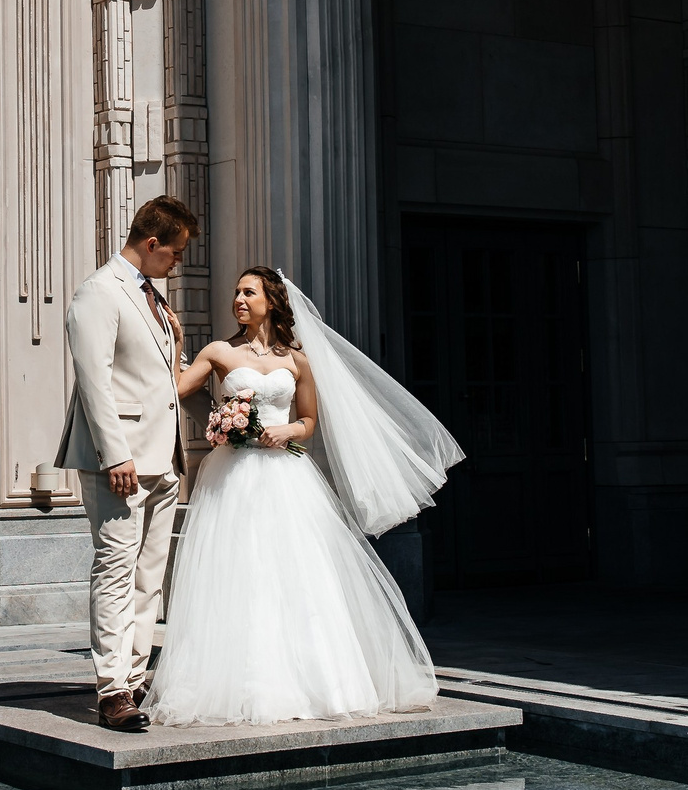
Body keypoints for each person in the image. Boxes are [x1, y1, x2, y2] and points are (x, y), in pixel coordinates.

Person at [146, 266, 461, 727]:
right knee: (237, 572)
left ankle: (318, 682)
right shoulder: (218, 352)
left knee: (296, 573)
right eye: (235, 292)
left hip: (286, 476)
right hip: (232, 476)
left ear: (270, 301)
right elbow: (175, 390)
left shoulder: (298, 361)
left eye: (247, 292)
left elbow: (309, 422)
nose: (237, 299)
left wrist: (286, 430)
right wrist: (175, 341)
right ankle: (233, 683)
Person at [56, 195, 201, 732]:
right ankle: (112, 689)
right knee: (115, 569)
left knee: (149, 576)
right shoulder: (99, 292)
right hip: (119, 460)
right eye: (176, 253)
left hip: (164, 459)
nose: (178, 263)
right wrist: (114, 452)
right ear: (151, 242)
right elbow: (93, 379)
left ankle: (136, 677)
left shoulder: (155, 300)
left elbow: (163, 378)